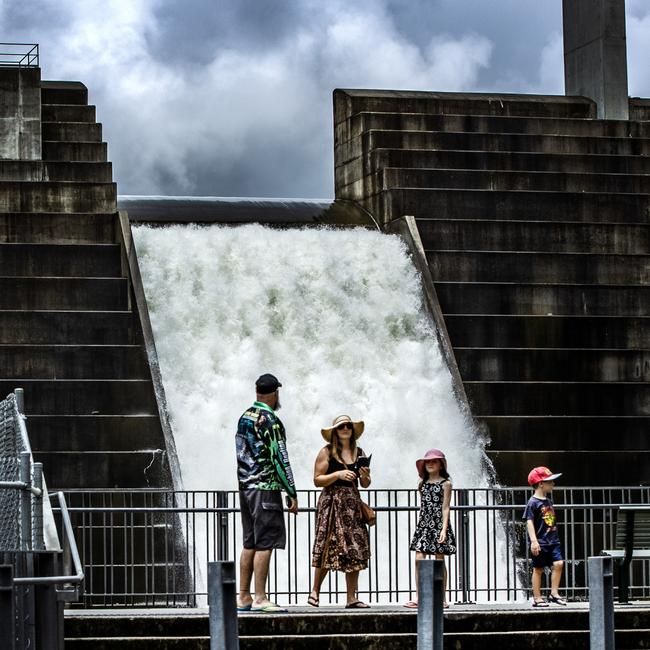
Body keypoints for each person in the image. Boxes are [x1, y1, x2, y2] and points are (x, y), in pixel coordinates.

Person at [235, 373, 299, 613]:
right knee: (266, 542)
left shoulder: (245, 417)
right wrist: (291, 491)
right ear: (275, 393)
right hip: (266, 488)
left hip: (246, 488)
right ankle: (261, 597)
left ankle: (243, 596)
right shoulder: (270, 420)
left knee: (250, 541)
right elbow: (280, 457)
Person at [308, 414, 372, 608]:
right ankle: (315, 592)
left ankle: (351, 597)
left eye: (348, 426)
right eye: (341, 426)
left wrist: (365, 476)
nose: (345, 429)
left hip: (352, 506)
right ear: (335, 431)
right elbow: (317, 479)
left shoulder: (359, 452)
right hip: (331, 504)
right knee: (327, 545)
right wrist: (337, 474)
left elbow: (366, 484)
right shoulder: (327, 452)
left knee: (355, 547)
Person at [405, 448, 456, 609]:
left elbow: (445, 508)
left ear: (441, 465)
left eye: (434, 461)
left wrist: (443, 529)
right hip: (424, 525)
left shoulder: (446, 484)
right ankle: (420, 596)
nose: (430, 464)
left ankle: (441, 597)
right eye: (428, 461)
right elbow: (424, 506)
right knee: (419, 559)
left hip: (439, 524)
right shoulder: (422, 484)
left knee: (439, 559)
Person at [524, 466, 566, 607]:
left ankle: (554, 593)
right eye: (550, 481)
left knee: (559, 563)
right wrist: (534, 541)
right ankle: (537, 597)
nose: (553, 484)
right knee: (538, 569)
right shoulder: (533, 503)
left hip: (553, 540)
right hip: (541, 541)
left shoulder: (548, 501)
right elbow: (529, 521)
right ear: (541, 483)